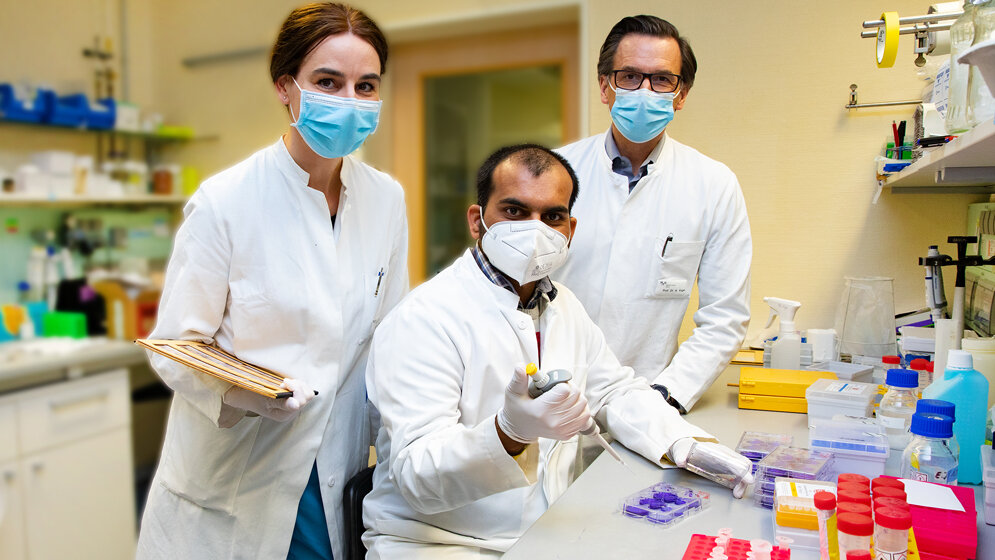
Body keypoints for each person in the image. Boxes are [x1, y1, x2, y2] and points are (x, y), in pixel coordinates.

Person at [361, 145, 752, 558]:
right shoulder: (423, 319)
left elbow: (615, 391)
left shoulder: (562, 305)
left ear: (570, 229)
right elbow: (418, 477)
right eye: (514, 211)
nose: (535, 229)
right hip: (439, 543)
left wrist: (685, 444)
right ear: (478, 221)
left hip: (544, 533)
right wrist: (508, 434)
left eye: (552, 216)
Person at [136, 4, 407, 559]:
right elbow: (174, 347)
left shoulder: (385, 198)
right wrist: (244, 394)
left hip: (337, 461)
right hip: (240, 469)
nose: (349, 101)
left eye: (366, 85)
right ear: (286, 87)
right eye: (328, 82)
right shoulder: (226, 202)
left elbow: (391, 335)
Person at [553, 15, 751, 413]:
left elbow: (725, 316)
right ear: (604, 86)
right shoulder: (555, 172)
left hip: (648, 398)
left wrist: (665, 396)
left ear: (681, 95)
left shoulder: (714, 185)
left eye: (662, 80)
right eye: (628, 76)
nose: (644, 90)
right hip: (552, 392)